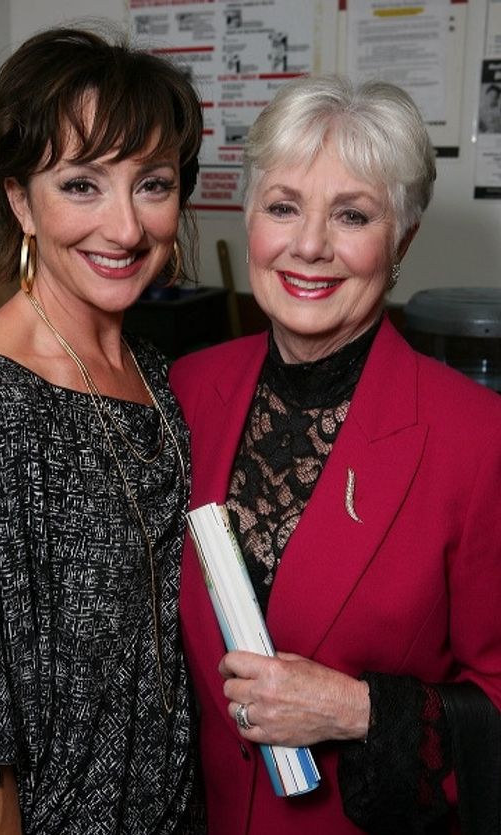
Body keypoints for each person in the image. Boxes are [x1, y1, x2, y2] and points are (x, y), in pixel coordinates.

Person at [170, 75, 501, 834]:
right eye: (283, 206)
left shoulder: (477, 439)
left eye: (351, 214)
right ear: (250, 218)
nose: (310, 245)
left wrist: (356, 709)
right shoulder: (186, 390)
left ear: (401, 240)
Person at [0, 26, 204, 834]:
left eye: (153, 183)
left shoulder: (151, 370)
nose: (125, 227)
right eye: (82, 185)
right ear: (16, 199)